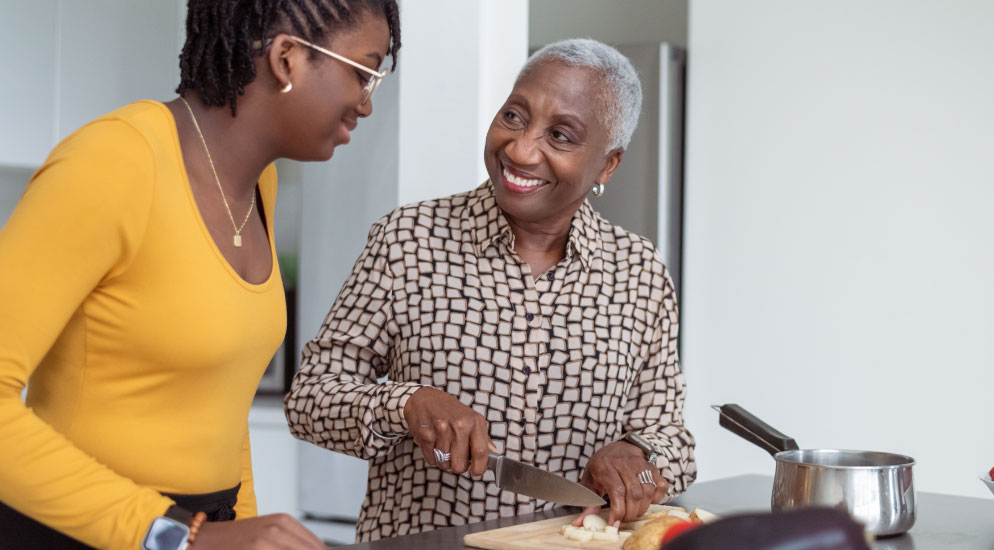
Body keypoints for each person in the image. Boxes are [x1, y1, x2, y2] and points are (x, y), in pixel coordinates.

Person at [0, 1, 400, 548]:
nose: (366, 102)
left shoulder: (260, 188)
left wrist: (232, 530)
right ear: (287, 58)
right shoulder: (114, 161)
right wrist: (179, 536)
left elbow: (224, 412)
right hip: (76, 533)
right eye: (364, 71)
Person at [285, 38, 697, 542]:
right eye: (514, 117)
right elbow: (310, 399)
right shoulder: (409, 239)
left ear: (607, 165)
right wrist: (406, 404)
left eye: (561, 136)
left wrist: (640, 457)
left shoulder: (639, 270)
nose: (521, 149)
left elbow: (673, 440)